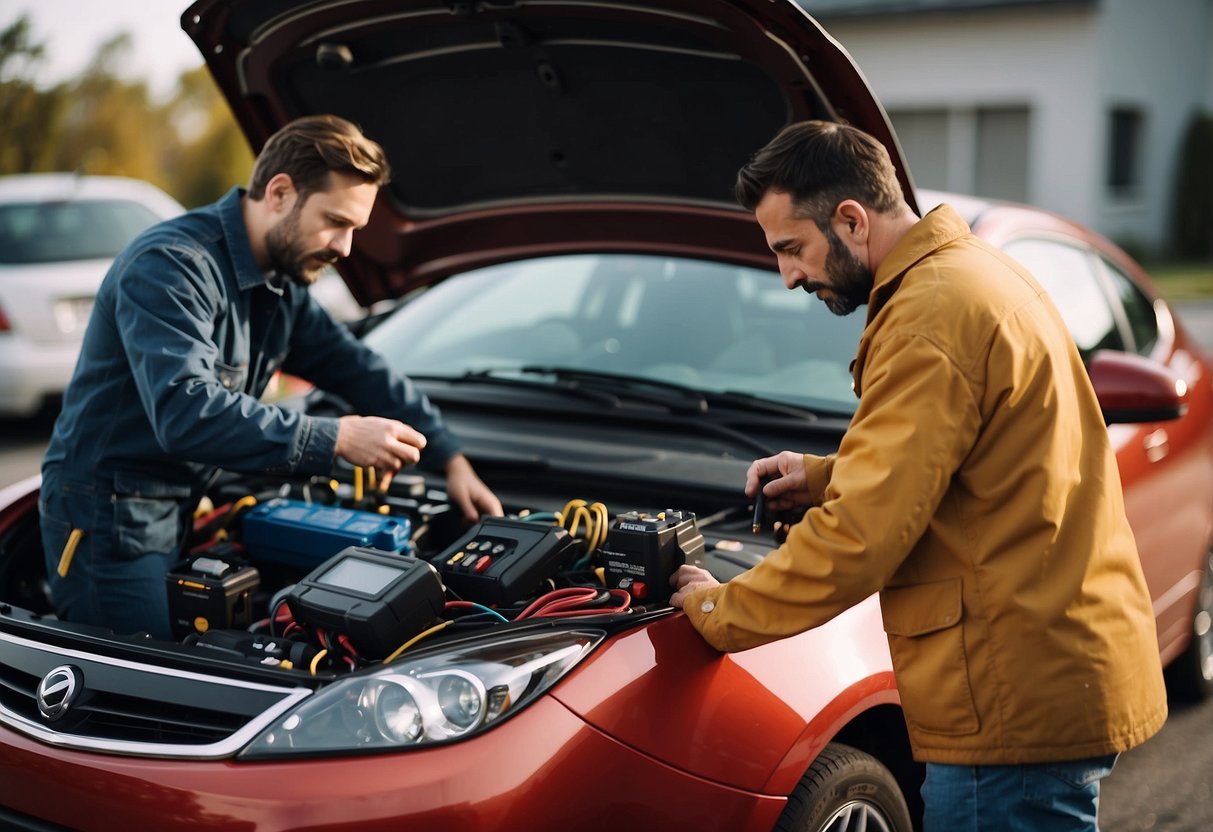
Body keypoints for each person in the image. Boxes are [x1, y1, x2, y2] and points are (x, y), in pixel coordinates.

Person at [669, 120, 1167, 831]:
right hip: (1046, 663)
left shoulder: (928, 315)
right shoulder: (973, 273)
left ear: (849, 219)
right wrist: (823, 475)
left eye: (791, 248)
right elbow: (978, 453)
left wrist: (719, 609)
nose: (788, 276)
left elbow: (862, 537)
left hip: (1005, 701)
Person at [40, 114, 502, 640]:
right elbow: (186, 412)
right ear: (279, 193)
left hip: (179, 507)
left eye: (355, 229)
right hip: (106, 525)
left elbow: (357, 367)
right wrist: (340, 437)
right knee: (149, 690)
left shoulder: (280, 285)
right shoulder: (171, 265)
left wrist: (450, 456)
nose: (346, 248)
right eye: (335, 221)